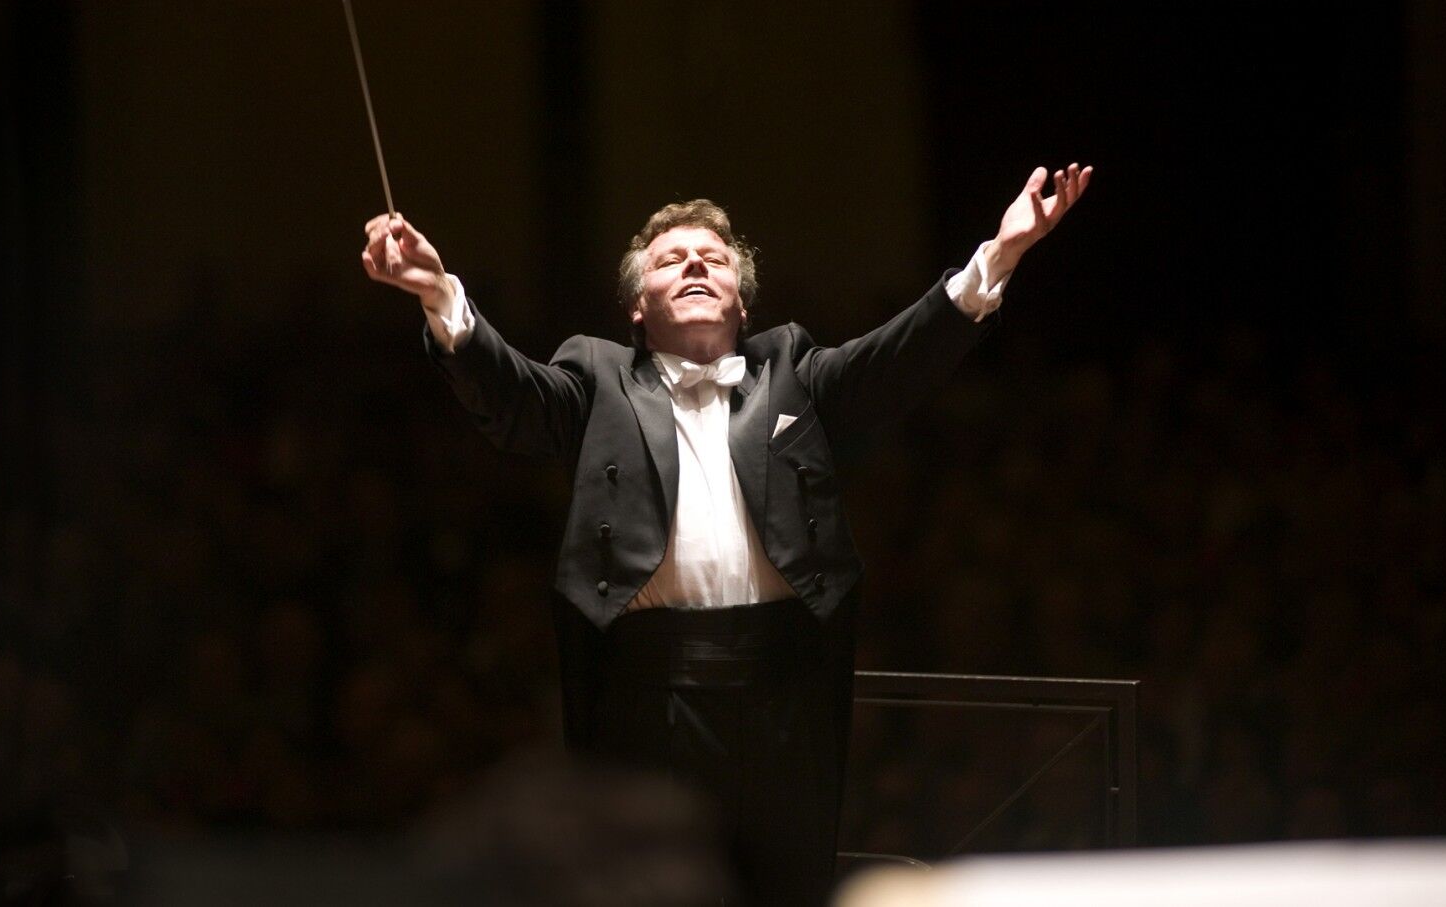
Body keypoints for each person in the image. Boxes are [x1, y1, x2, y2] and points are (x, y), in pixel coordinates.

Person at [360, 164, 1091, 905]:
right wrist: (439, 294)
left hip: (784, 684)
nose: (695, 265)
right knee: (645, 886)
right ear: (637, 307)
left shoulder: (793, 369)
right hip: (646, 687)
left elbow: (895, 360)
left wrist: (999, 254)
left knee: (784, 888)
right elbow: (515, 399)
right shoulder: (597, 375)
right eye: (671, 259)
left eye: (712, 258)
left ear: (741, 300)